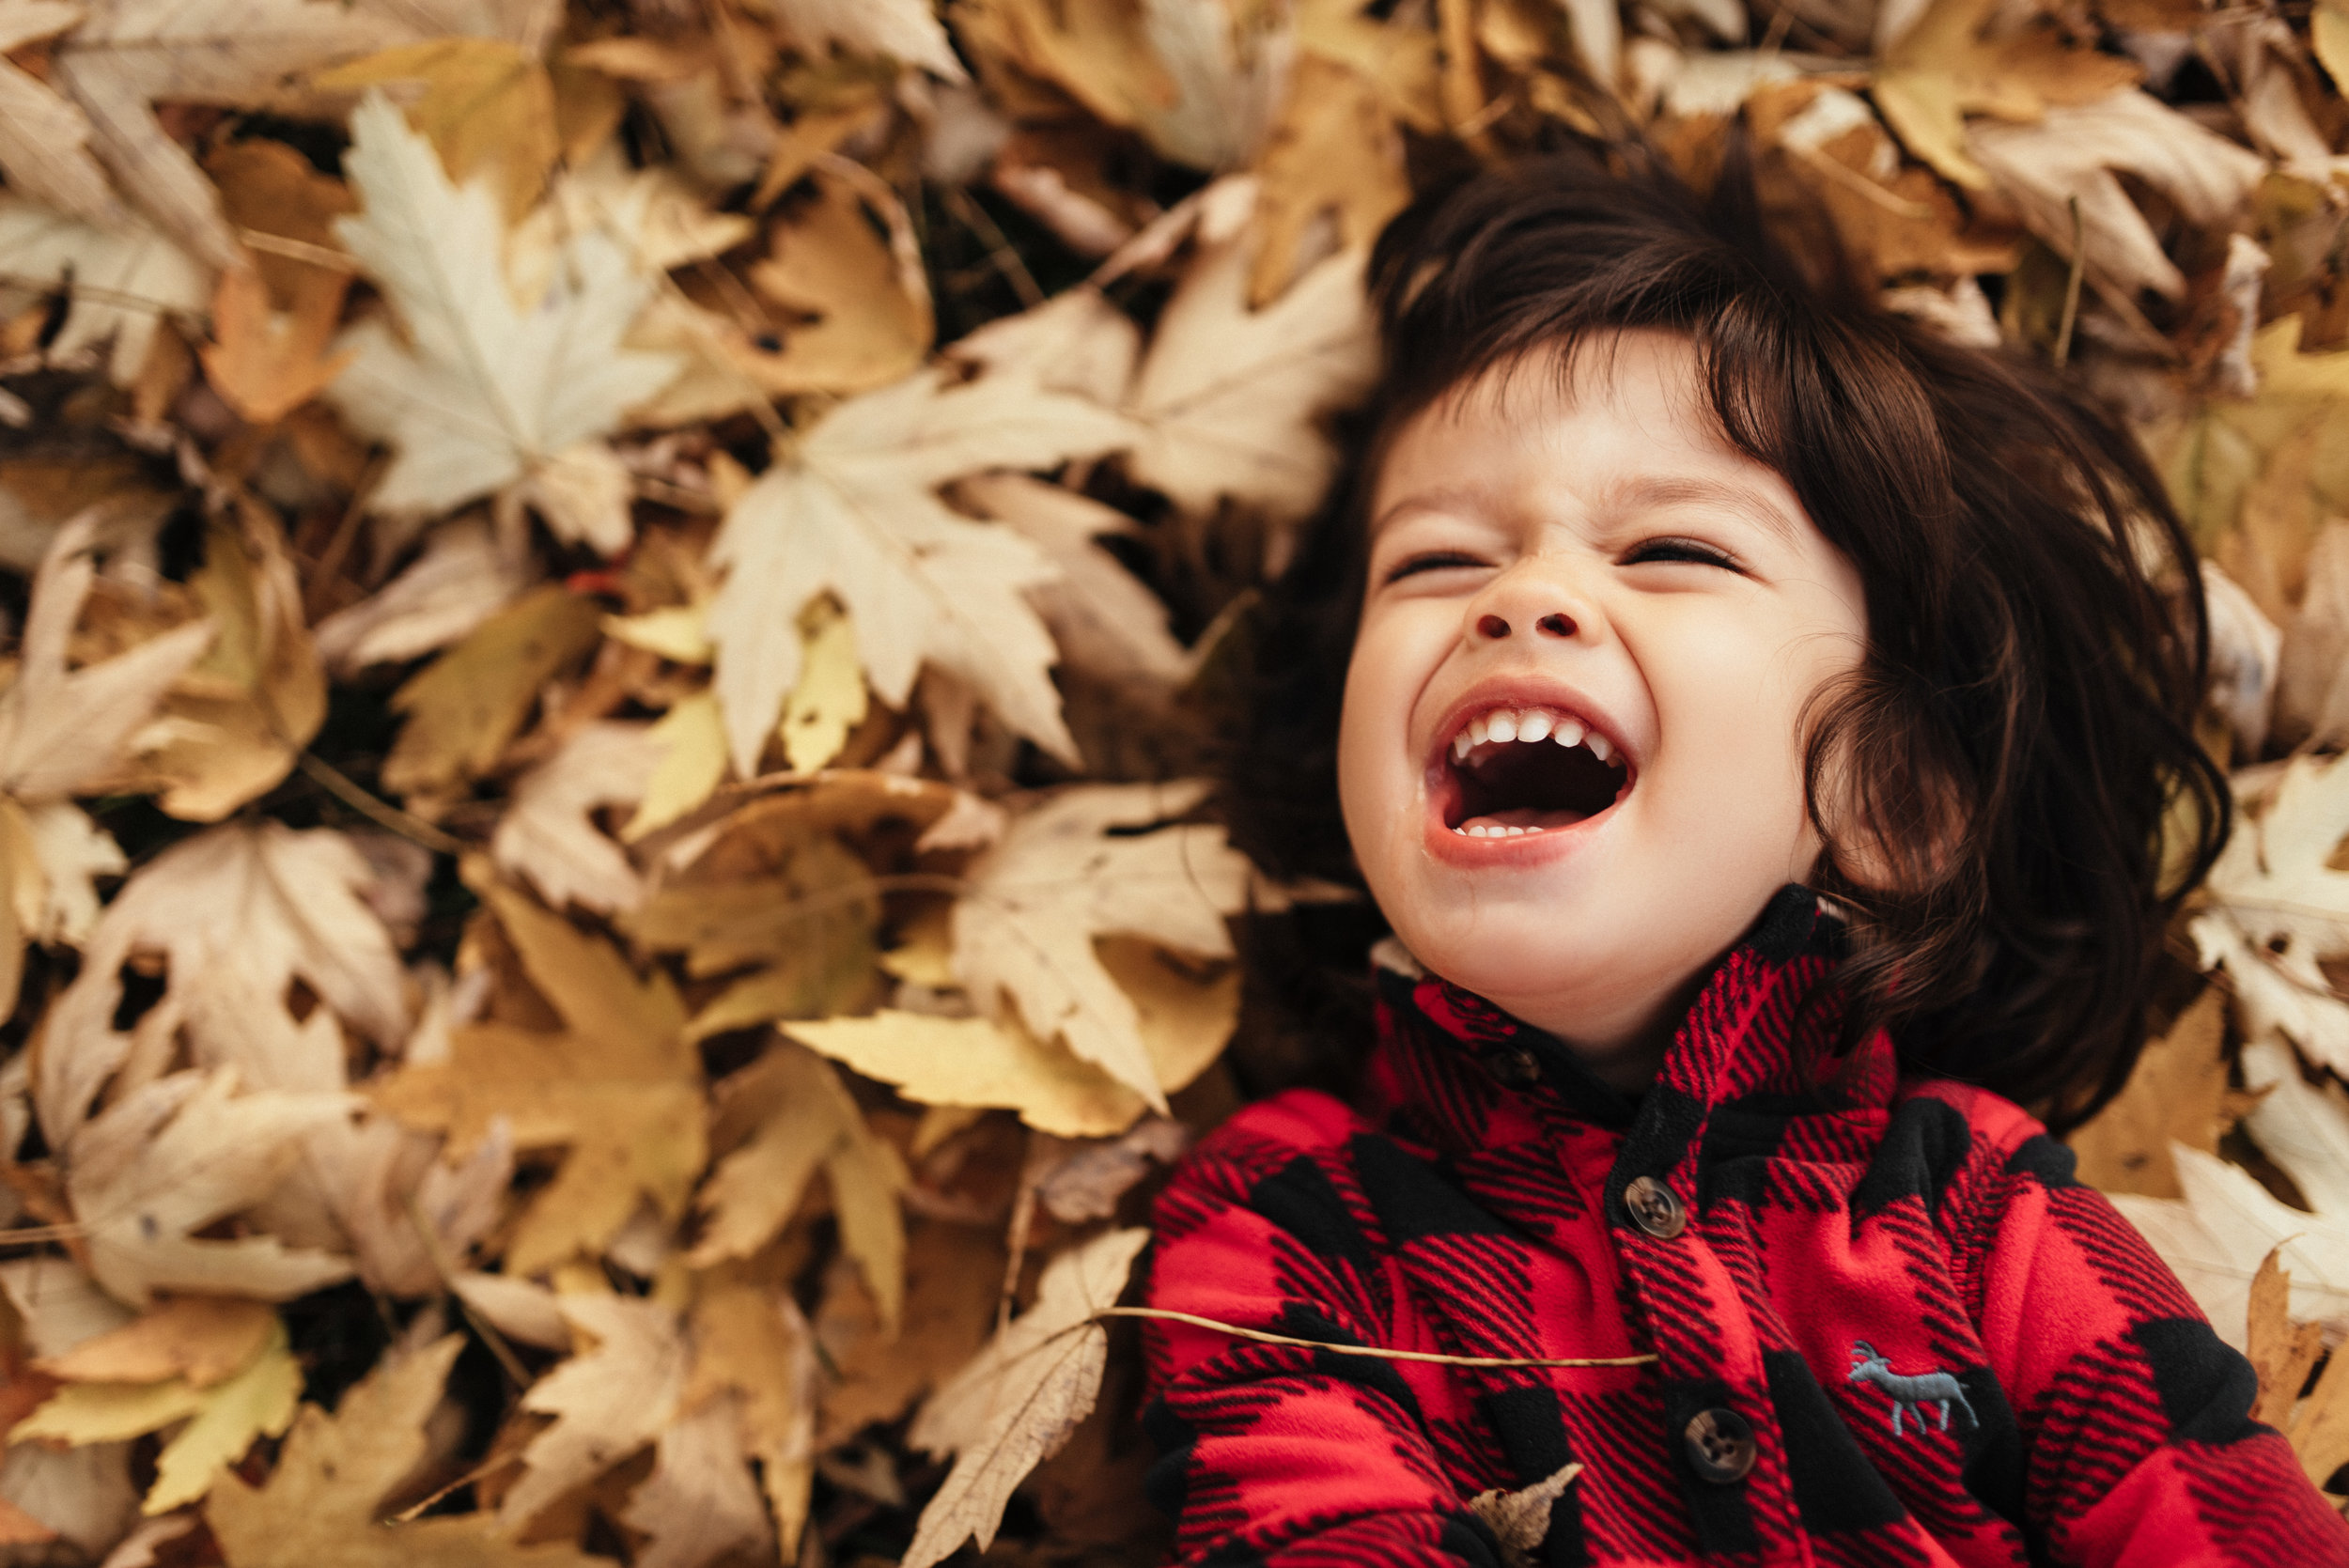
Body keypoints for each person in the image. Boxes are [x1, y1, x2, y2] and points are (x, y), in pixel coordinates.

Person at [1137, 147, 2349, 1566]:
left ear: (1892, 795)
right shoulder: (1283, 1221)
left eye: (1671, 549)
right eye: (1436, 562)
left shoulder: (1984, 1212)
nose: (1525, 592)